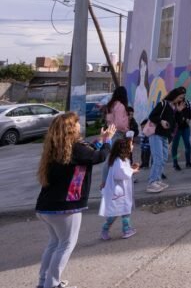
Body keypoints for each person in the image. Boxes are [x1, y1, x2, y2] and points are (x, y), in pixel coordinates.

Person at [36, 113, 115, 288]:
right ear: (71, 128)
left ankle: (44, 282)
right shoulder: (76, 148)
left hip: (45, 206)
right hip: (64, 207)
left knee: (54, 243)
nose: (79, 125)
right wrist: (108, 140)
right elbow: (98, 157)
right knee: (66, 245)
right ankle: (52, 284)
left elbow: (87, 153)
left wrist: (100, 140)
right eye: (76, 123)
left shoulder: (57, 148)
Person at [99, 135, 138, 240]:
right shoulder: (119, 161)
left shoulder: (119, 159)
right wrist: (133, 171)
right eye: (131, 145)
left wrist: (131, 168)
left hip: (120, 190)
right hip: (119, 190)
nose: (133, 146)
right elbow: (120, 173)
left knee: (123, 210)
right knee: (120, 210)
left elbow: (122, 170)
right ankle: (119, 229)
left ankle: (124, 229)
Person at [146, 87, 183, 193]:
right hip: (156, 134)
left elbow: (177, 122)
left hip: (165, 136)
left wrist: (179, 112)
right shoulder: (163, 104)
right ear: (175, 96)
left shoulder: (173, 107)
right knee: (158, 158)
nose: (181, 100)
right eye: (180, 97)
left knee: (164, 158)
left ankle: (157, 180)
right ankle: (152, 182)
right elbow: (152, 116)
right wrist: (161, 121)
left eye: (182, 98)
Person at [171, 93, 191, 171]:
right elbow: (172, 116)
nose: (182, 97)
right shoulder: (173, 104)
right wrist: (178, 112)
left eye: (183, 95)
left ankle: (188, 162)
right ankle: (175, 164)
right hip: (176, 128)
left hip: (185, 127)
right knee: (175, 146)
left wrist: (188, 119)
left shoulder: (187, 103)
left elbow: (189, 114)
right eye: (180, 95)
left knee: (188, 143)